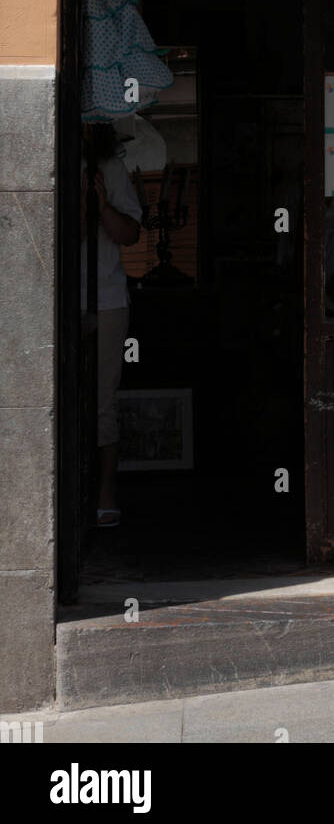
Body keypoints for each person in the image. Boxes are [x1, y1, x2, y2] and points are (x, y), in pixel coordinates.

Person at [80, 124, 142, 527]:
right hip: (58, 301)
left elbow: (130, 234)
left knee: (102, 398)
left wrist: (101, 205)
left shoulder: (110, 169)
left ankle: (104, 494)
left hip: (106, 300)